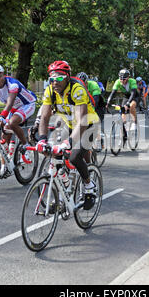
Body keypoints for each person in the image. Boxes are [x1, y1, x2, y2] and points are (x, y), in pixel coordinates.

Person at [36, 60, 100, 208]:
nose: (54, 82)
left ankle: (89, 185)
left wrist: (68, 143)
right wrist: (42, 139)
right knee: (54, 153)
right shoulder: (50, 91)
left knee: (74, 156)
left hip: (88, 125)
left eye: (59, 78)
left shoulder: (77, 89)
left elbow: (82, 121)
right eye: (51, 79)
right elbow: (45, 117)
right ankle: (66, 188)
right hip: (70, 125)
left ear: (67, 77)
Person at [106, 69, 139, 134]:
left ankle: (134, 122)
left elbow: (133, 93)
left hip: (134, 96)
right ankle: (125, 127)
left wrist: (128, 103)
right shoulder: (117, 82)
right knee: (123, 110)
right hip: (126, 96)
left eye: (124, 79)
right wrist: (108, 103)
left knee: (131, 106)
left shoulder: (132, 81)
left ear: (128, 78)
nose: (122, 80)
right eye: (120, 79)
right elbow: (113, 93)